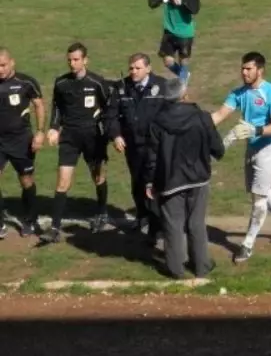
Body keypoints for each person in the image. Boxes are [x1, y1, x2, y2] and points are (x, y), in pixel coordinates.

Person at [211, 52, 271, 264]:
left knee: (258, 199)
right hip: (253, 149)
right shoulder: (239, 93)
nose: (244, 72)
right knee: (260, 190)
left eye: (249, 69)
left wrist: (255, 131)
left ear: (260, 70)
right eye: (243, 68)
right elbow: (220, 115)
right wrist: (196, 126)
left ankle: (247, 244)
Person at [145, 79, 224, 279]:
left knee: (173, 224)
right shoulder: (202, 117)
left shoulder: (157, 122)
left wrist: (149, 182)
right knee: (196, 223)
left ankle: (175, 268)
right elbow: (218, 149)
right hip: (198, 178)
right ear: (184, 94)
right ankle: (201, 265)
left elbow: (152, 157)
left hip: (170, 181)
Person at [41, 43, 112, 244]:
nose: (72, 63)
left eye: (76, 59)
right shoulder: (61, 83)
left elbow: (109, 108)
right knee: (62, 181)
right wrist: (54, 127)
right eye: (70, 60)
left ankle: (102, 212)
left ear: (85, 60)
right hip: (69, 138)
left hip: (92, 137)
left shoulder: (97, 82)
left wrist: (106, 131)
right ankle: (54, 228)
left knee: (98, 176)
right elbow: (56, 107)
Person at [105, 53, 169, 244]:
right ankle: (142, 216)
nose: (133, 71)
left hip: (156, 146)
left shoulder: (162, 86)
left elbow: (170, 113)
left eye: (138, 68)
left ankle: (157, 227)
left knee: (154, 184)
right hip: (133, 146)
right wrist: (115, 135)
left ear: (148, 68)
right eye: (131, 68)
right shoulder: (121, 87)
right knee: (137, 182)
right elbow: (111, 115)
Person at [0, 48, 44, 239]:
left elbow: (39, 104)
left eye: (2, 65)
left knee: (26, 181)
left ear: (12, 63)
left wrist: (40, 132)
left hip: (21, 140)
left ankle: (30, 219)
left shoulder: (26, 82)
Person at [148, 0, 200, 85]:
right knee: (168, 61)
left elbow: (195, 9)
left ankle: (182, 88)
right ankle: (184, 76)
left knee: (183, 62)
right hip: (169, 31)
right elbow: (152, 3)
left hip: (185, 33)